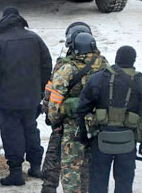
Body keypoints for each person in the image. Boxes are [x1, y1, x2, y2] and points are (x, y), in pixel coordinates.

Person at [0, 7, 52, 186]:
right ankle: (36, 166)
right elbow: (47, 64)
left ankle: (15, 173)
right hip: (31, 98)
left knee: (12, 133)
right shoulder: (34, 38)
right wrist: (41, 89)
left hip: (6, 100)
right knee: (31, 129)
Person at [77, 46, 142, 193]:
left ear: (116, 59)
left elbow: (82, 108)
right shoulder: (141, 82)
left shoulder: (98, 78)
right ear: (134, 60)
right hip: (127, 142)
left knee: (98, 184)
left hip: (100, 140)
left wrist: (84, 136)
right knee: (124, 185)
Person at [47, 32, 109, 193]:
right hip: (99, 126)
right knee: (93, 167)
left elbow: (54, 103)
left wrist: (55, 120)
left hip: (73, 126)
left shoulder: (67, 69)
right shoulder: (105, 66)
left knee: (71, 169)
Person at [40, 22, 93, 193]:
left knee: (55, 156)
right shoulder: (99, 63)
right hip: (91, 121)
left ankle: (49, 186)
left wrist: (51, 115)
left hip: (65, 120)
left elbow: (52, 92)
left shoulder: (64, 66)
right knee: (85, 161)